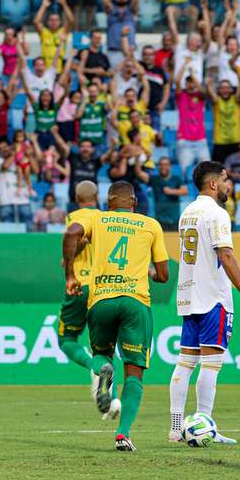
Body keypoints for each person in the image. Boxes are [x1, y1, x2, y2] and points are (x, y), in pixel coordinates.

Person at [62, 181, 169, 451]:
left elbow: (72, 233)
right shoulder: (151, 224)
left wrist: (71, 274)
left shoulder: (98, 219)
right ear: (134, 202)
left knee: (103, 355)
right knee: (135, 371)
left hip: (101, 301)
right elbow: (163, 276)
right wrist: (146, 270)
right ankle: (123, 434)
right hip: (135, 303)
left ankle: (101, 371)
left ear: (108, 202)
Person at [169, 161, 240, 445]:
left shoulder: (187, 212)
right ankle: (204, 425)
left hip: (188, 295)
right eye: (225, 180)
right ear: (213, 184)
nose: (228, 185)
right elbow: (226, 255)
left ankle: (176, 428)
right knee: (211, 364)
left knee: (185, 362)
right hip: (212, 297)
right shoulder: (217, 214)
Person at [55, 181, 120, 419]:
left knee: (66, 339)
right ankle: (112, 402)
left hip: (81, 285)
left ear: (76, 196)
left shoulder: (76, 216)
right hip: (106, 288)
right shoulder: (107, 219)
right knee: (104, 348)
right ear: (98, 197)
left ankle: (94, 368)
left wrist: (69, 264)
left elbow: (75, 238)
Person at [140, 157, 188, 231]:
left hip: (174, 219)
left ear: (170, 166)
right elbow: (139, 173)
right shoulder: (154, 179)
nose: (163, 167)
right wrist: (139, 159)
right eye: (161, 164)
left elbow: (185, 191)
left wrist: (171, 191)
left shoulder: (176, 179)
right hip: (159, 221)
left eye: (166, 164)